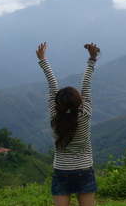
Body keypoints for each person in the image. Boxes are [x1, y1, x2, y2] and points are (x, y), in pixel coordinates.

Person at [36, 42, 99, 206]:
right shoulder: (85, 113)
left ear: (58, 104)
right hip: (84, 170)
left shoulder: (55, 116)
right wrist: (92, 58)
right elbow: (86, 83)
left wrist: (43, 59)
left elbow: (52, 85)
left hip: (62, 172)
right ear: (79, 101)